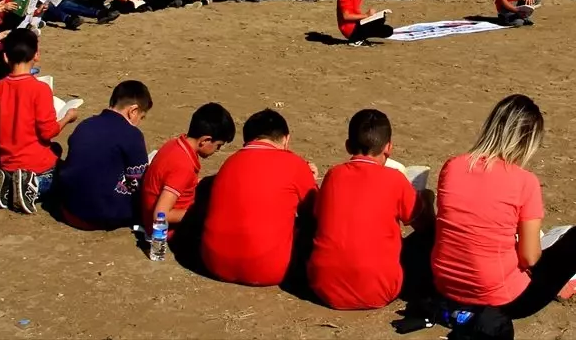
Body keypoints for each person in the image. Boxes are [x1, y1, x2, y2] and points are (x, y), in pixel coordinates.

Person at [431, 95, 576, 321]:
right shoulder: (524, 181)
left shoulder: (453, 166)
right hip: (502, 300)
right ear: (528, 141)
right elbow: (530, 259)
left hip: (445, 287)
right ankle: (571, 279)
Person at [308, 109, 432, 310]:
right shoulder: (395, 180)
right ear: (388, 147)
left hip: (323, 287)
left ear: (348, 146)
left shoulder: (333, 175)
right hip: (379, 290)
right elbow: (424, 226)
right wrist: (426, 199)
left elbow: (318, 216)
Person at [201, 109, 318, 288]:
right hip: (267, 270)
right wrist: (311, 180)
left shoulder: (231, 162)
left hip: (213, 263)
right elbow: (316, 212)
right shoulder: (294, 164)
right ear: (286, 139)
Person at [0, 30, 80, 213]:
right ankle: (31, 187)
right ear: (36, 55)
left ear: (5, 57)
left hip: (8, 160)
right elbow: (48, 131)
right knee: (64, 176)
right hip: (36, 163)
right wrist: (67, 118)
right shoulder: (40, 89)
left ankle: (9, 183)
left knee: (56, 150)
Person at [55, 80, 152, 231]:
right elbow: (137, 183)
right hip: (99, 214)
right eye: (141, 117)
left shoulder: (85, 124)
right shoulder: (132, 134)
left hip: (68, 208)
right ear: (133, 111)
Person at [141, 102, 236, 232]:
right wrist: (200, 214)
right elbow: (160, 215)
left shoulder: (175, 144)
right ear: (205, 141)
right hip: (170, 231)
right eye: (218, 145)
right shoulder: (183, 166)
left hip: (154, 208)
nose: (217, 150)